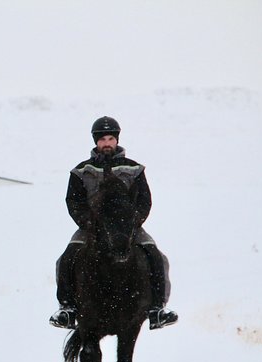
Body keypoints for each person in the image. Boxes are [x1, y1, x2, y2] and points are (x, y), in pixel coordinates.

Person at [49, 116, 178, 330]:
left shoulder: (134, 168)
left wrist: (133, 222)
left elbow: (144, 200)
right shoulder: (81, 171)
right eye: (102, 139)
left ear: (117, 140)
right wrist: (87, 222)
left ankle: (157, 309)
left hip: (128, 229)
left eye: (110, 138)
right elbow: (73, 201)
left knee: (157, 256)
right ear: (95, 142)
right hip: (91, 229)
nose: (107, 143)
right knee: (66, 258)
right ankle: (67, 309)